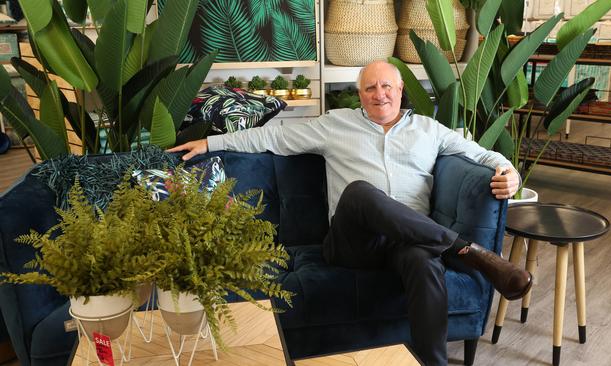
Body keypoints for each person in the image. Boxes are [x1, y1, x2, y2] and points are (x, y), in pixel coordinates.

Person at [169, 60, 532, 365]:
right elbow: (270, 138)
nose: (380, 94)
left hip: (410, 241)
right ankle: (465, 249)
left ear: (401, 89)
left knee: (425, 263)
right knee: (360, 192)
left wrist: (509, 172)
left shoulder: (429, 130)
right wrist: (209, 143)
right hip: (352, 244)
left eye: (386, 86)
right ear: (360, 94)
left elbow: (481, 154)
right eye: (370, 88)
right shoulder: (335, 124)